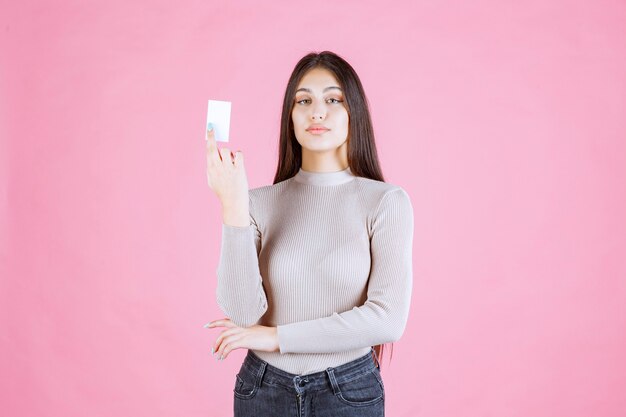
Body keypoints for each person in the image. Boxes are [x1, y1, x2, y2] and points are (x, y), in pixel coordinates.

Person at [204, 50, 414, 417]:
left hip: (348, 392)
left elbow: (387, 319)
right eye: (304, 100)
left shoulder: (385, 202)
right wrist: (233, 206)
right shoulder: (257, 204)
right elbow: (242, 313)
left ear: (354, 114)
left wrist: (275, 337)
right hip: (263, 389)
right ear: (291, 116)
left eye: (333, 99)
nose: (318, 111)